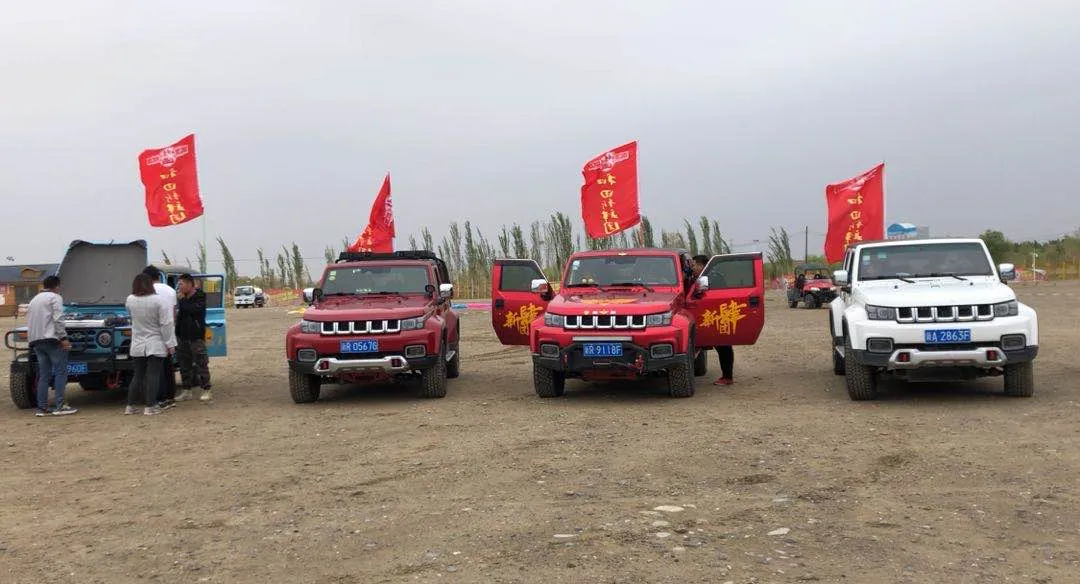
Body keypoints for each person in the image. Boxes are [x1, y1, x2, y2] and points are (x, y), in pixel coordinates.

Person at [125, 273, 177, 415]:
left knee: (138, 375)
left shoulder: (130, 300)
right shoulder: (159, 301)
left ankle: (130, 406)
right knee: (153, 375)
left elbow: (130, 316)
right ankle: (150, 406)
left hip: (137, 343)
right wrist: (170, 343)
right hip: (156, 342)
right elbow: (166, 324)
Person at [26, 275, 77, 416]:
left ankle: (41, 408)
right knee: (60, 373)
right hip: (52, 340)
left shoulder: (34, 299)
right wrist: (63, 337)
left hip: (36, 341)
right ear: (57, 286)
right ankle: (60, 406)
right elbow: (58, 319)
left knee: (44, 375)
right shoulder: (55, 298)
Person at [690, 255, 735, 386]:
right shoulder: (708, 275)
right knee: (721, 345)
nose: (692, 268)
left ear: (701, 265)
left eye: (694, 265)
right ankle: (727, 376)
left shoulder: (711, 277)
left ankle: (727, 377)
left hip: (718, 315)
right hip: (713, 314)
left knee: (723, 345)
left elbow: (705, 295)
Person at [142, 266, 178, 408]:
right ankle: (170, 396)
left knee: (156, 368)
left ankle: (159, 398)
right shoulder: (170, 290)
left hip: (153, 334)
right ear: (158, 276)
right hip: (169, 332)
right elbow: (174, 314)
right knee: (168, 366)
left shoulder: (147, 292)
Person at [175, 274, 213, 402]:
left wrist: (182, 300)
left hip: (196, 336)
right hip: (182, 336)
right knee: (184, 364)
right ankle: (186, 390)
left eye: (181, 284)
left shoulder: (200, 296)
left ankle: (206, 389)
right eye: (179, 284)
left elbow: (192, 310)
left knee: (201, 362)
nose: (179, 287)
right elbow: (181, 314)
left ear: (189, 284)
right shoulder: (182, 298)